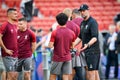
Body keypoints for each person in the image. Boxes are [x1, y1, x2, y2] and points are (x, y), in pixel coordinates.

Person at [75, 4, 100, 80]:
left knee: (91, 72)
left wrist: (88, 45)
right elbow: (80, 37)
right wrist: (72, 45)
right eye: (81, 11)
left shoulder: (93, 22)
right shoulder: (82, 23)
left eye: (84, 10)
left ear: (88, 11)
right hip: (86, 51)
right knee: (93, 71)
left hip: (93, 51)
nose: (82, 12)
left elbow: (95, 37)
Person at [48, 13, 75, 80]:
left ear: (57, 21)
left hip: (57, 57)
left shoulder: (54, 32)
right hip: (67, 57)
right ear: (66, 21)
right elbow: (72, 46)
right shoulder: (72, 33)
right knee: (65, 76)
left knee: (52, 75)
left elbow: (50, 45)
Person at [0, 8, 18, 80]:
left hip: (16, 55)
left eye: (16, 14)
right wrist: (5, 49)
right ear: (9, 14)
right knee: (10, 76)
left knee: (15, 77)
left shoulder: (15, 26)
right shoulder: (5, 25)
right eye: (14, 14)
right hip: (8, 55)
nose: (16, 15)